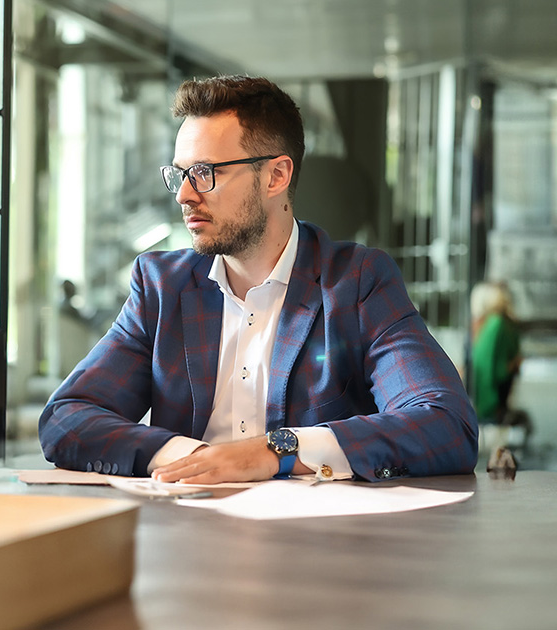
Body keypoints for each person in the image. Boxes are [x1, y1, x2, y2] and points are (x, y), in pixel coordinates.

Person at [38, 75, 478, 483]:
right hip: (184, 537)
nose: (184, 194)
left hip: (317, 548)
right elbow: (67, 417)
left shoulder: (356, 283)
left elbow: (446, 424)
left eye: (206, 173)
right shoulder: (161, 286)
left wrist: (273, 453)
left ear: (276, 176)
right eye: (179, 174)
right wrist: (188, 457)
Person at [469, 280, 527, 452]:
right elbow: (492, 367)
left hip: (490, 398)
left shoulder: (495, 323)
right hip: (492, 399)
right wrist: (513, 364)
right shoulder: (498, 324)